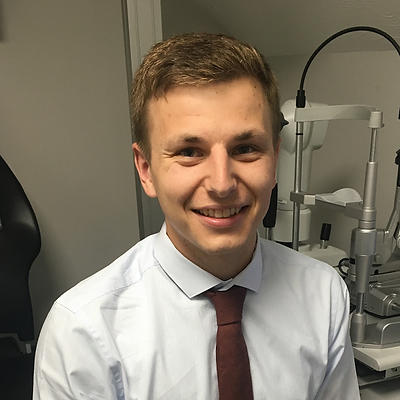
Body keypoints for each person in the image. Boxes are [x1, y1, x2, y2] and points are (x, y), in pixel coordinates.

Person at [33, 33, 360, 399]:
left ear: (274, 158)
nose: (222, 184)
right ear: (146, 169)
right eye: (189, 151)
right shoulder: (83, 333)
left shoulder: (323, 294)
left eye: (246, 148)